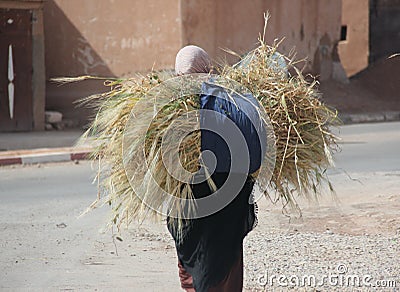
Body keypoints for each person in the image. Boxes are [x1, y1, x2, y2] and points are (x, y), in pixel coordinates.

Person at [167, 45, 266, 292]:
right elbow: (259, 149)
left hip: (196, 191)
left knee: (192, 243)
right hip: (236, 189)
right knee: (228, 246)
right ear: (210, 69)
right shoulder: (240, 96)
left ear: (179, 76)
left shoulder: (178, 105)